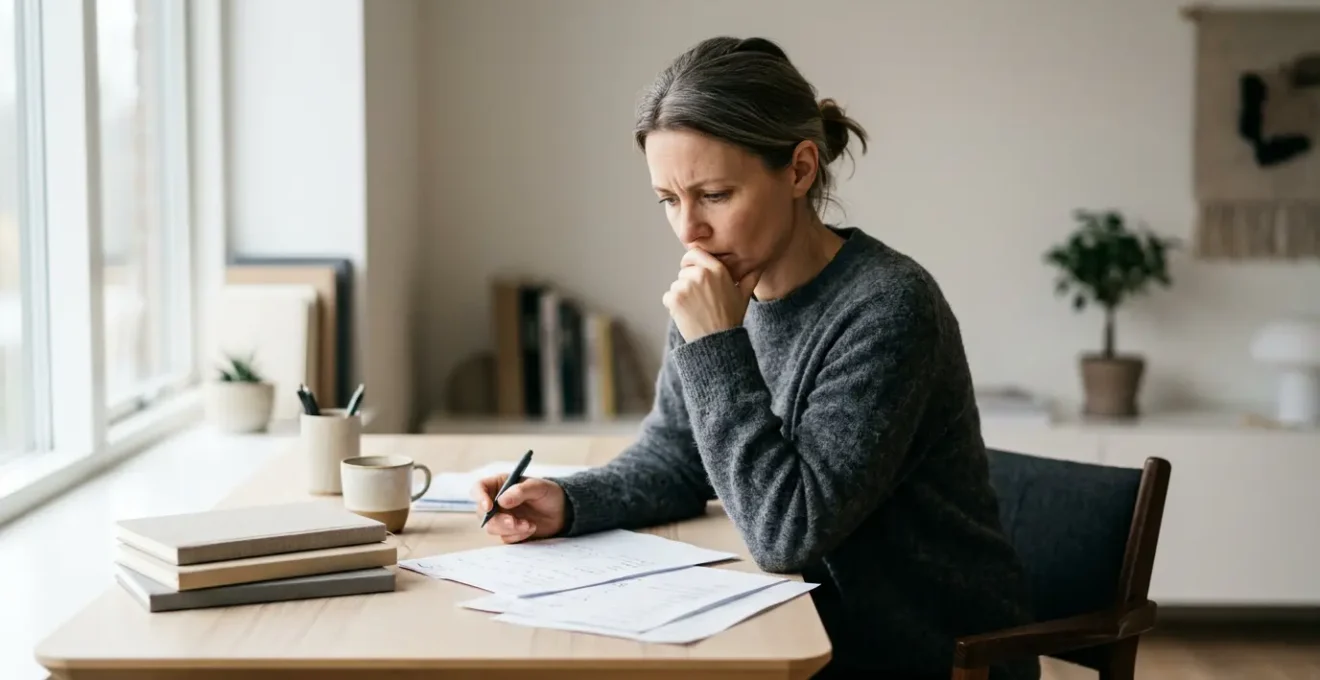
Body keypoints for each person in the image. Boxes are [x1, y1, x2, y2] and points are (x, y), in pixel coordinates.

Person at [471, 36, 1040, 680]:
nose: (689, 230)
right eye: (668, 199)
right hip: (803, 628)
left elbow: (786, 533)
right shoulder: (716, 287)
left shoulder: (889, 308)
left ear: (799, 170)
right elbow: (676, 457)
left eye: (714, 194)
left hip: (921, 649)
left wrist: (717, 345)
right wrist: (569, 502)